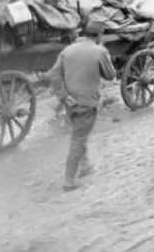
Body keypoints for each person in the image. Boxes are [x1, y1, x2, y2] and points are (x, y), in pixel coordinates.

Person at [44, 19, 116, 191]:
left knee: (79, 133)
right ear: (99, 36)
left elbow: (53, 74)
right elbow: (110, 75)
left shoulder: (66, 51)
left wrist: (63, 96)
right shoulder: (99, 51)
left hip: (70, 103)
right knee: (78, 139)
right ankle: (68, 180)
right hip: (87, 102)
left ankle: (86, 166)